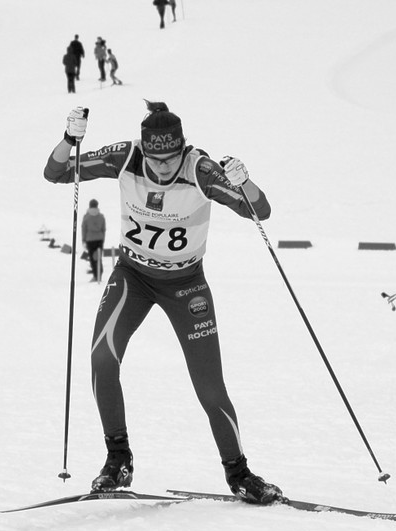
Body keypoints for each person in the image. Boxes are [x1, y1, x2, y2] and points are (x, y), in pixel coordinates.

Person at [43, 101, 282, 504]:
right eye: (156, 158)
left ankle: (239, 473)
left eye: (171, 158)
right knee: (102, 358)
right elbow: (56, 173)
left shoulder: (200, 170)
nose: (164, 167)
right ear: (144, 148)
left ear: (183, 149)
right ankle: (118, 459)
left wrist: (246, 181)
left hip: (186, 285)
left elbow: (260, 210)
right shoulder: (126, 156)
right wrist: (71, 140)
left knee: (209, 388)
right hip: (132, 276)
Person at [82, 199, 106, 281]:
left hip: (90, 239)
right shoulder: (101, 216)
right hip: (99, 239)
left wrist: (83, 239)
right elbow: (103, 229)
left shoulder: (86, 217)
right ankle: (100, 273)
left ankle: (96, 276)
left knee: (92, 258)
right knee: (98, 257)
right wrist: (102, 238)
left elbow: (84, 229)